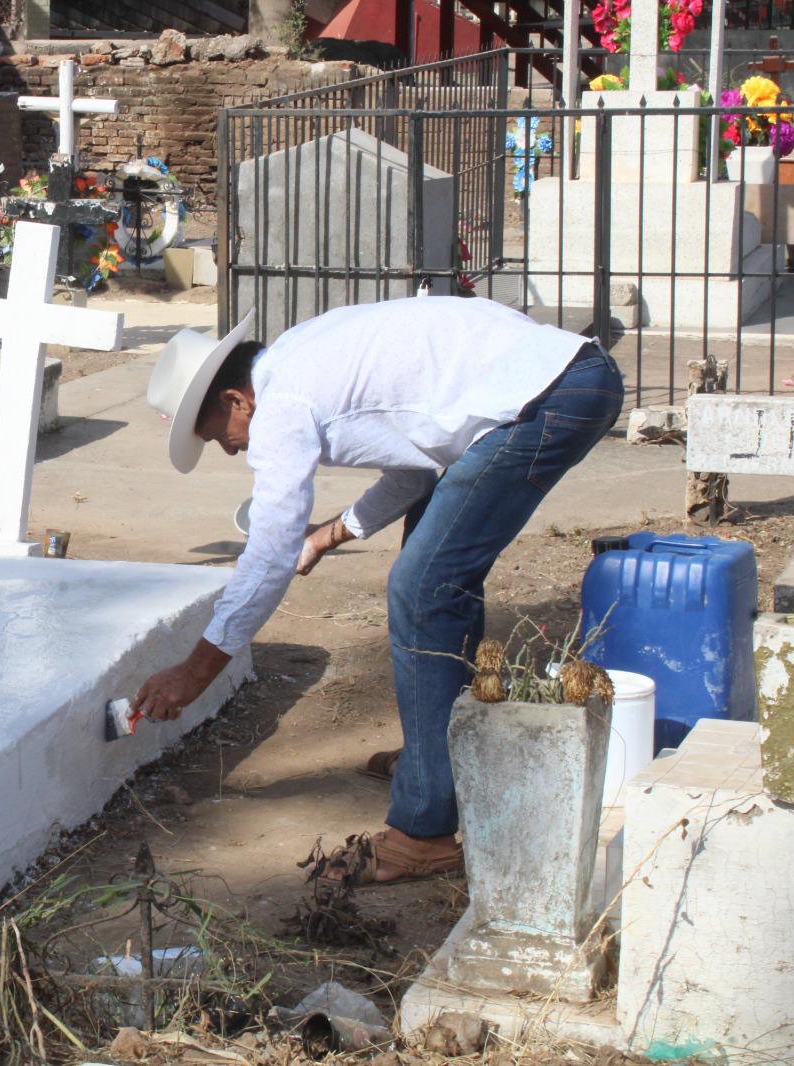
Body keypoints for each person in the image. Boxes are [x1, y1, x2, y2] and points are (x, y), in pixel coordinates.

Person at [130, 296, 623, 884]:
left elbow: (265, 558)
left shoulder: (281, 405)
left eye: (218, 435)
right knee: (433, 571)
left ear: (237, 400)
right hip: (557, 383)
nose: (229, 449)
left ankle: (424, 832)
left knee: (423, 587)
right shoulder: (294, 362)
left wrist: (195, 672)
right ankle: (437, 761)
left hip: (547, 399)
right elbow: (414, 471)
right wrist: (330, 536)